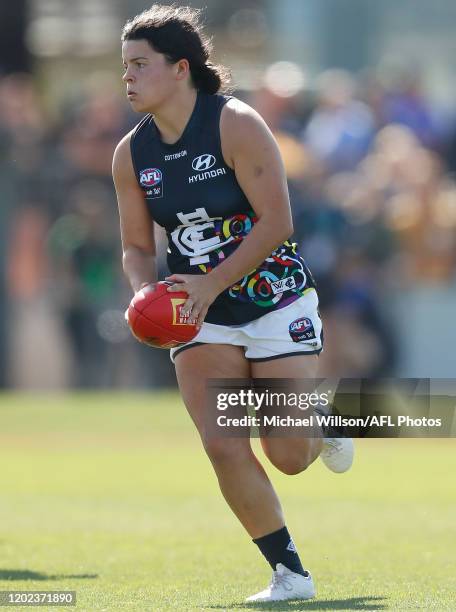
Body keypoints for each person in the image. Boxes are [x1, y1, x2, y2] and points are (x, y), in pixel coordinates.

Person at [112, 4, 354, 602]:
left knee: (290, 455)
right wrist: (145, 292)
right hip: (198, 315)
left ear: (180, 68)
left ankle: (326, 419)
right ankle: (290, 574)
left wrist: (211, 283)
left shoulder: (237, 123)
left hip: (273, 297)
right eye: (125, 67)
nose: (128, 77)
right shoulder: (131, 154)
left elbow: (277, 224)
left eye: (140, 64)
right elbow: (137, 247)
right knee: (222, 444)